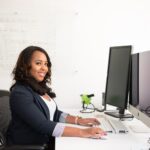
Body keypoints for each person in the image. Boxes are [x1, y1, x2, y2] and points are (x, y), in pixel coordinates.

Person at [6, 46, 106, 148]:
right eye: (38, 63)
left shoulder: (39, 87)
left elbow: (55, 114)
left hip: (46, 141)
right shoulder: (20, 93)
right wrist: (83, 132)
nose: (44, 68)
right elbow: (43, 125)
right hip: (30, 146)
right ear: (26, 66)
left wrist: (79, 120)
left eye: (46, 64)